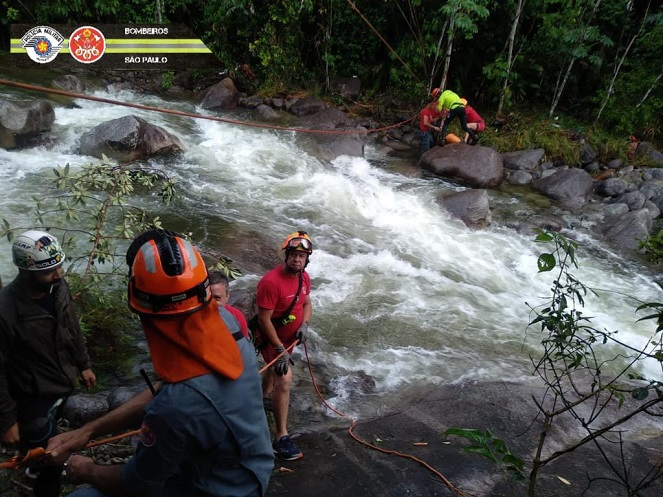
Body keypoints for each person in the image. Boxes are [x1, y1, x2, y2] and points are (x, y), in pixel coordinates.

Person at [45, 229, 274, 497]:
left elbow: (137, 483)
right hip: (249, 466)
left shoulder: (175, 409)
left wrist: (81, 467)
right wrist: (90, 430)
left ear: (137, 299)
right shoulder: (226, 322)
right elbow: (170, 388)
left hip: (221, 488)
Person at [0, 230, 96, 497]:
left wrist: (83, 363)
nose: (58, 274)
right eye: (49, 271)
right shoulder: (6, 311)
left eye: (59, 266)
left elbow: (71, 327)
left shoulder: (57, 288)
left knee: (44, 441)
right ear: (25, 271)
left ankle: (31, 457)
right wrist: (7, 420)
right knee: (53, 459)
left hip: (60, 379)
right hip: (30, 393)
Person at [255, 230, 313, 461]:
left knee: (273, 375)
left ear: (307, 259)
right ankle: (281, 436)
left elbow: (307, 303)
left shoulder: (303, 277)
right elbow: (263, 319)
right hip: (273, 338)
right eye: (293, 255)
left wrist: (305, 325)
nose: (297, 259)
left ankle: (263, 396)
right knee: (285, 379)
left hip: (290, 339)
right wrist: (279, 350)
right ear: (286, 255)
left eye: (302, 256)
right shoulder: (270, 282)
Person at [209, 270, 250, 339]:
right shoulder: (192, 314)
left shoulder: (237, 317)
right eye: (207, 297)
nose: (211, 303)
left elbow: (243, 346)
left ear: (227, 297)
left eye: (217, 298)